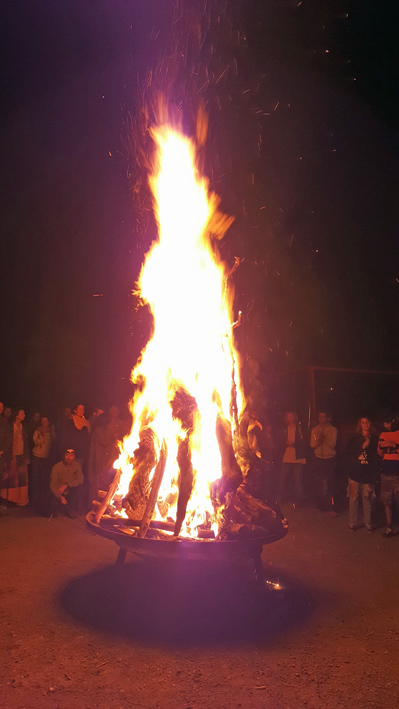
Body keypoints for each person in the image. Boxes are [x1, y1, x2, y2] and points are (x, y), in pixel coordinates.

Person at [345, 417, 379, 532]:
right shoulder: (354, 438)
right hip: (355, 473)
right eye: (363, 422)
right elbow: (348, 454)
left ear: (371, 424)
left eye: (368, 422)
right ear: (360, 424)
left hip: (368, 475)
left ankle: (368, 522)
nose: (365, 425)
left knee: (367, 499)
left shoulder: (375, 439)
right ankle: (352, 522)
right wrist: (362, 446)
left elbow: (377, 458)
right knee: (353, 498)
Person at [88, 406, 127, 502]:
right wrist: (113, 438)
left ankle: (106, 504)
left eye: (116, 411)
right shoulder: (99, 430)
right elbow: (104, 441)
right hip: (101, 459)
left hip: (111, 458)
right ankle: (95, 505)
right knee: (99, 482)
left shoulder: (120, 424)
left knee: (107, 482)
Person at [277, 411, 307, 506]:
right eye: (289, 416)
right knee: (282, 479)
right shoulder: (284, 429)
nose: (291, 418)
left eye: (292, 416)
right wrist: (285, 443)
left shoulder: (300, 428)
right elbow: (280, 440)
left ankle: (299, 500)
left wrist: (293, 444)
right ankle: (282, 497)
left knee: (298, 480)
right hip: (286, 457)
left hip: (298, 458)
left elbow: (304, 442)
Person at [0, 409, 30, 506]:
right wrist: (4, 451)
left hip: (21, 455)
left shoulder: (23, 426)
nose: (24, 415)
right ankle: (9, 500)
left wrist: (27, 455)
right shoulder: (10, 426)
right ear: (16, 416)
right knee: (11, 479)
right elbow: (7, 440)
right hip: (11, 454)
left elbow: (26, 442)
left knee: (21, 478)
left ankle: (20, 500)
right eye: (22, 413)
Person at [310, 410, 338, 512]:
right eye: (320, 417)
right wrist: (319, 440)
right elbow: (312, 444)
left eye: (324, 417)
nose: (322, 419)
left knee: (331, 483)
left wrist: (323, 438)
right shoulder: (315, 430)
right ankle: (319, 506)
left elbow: (332, 444)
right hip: (318, 459)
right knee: (318, 483)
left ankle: (332, 507)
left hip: (330, 458)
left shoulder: (333, 430)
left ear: (327, 418)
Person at [378, 418, 399, 538]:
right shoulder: (383, 434)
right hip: (386, 472)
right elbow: (379, 453)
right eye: (384, 423)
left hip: (398, 473)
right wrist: (381, 447)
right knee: (387, 501)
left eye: (387, 423)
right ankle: (389, 527)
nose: (385, 425)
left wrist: (394, 445)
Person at [30, 416, 55, 513]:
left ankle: (42, 500)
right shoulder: (37, 431)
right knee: (35, 477)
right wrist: (41, 435)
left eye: (46, 421)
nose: (44, 423)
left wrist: (51, 431)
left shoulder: (50, 431)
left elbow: (54, 440)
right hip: (37, 456)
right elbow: (36, 442)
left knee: (44, 479)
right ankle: (34, 499)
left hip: (46, 458)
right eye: (42, 421)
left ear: (48, 422)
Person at [49, 448, 84, 517]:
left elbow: (81, 479)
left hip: (70, 491)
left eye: (71, 455)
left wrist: (67, 485)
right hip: (59, 492)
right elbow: (52, 485)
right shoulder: (56, 467)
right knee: (51, 511)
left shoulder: (77, 465)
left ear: (74, 457)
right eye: (67, 455)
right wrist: (60, 497)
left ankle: (73, 509)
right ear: (63, 456)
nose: (69, 458)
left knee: (81, 489)